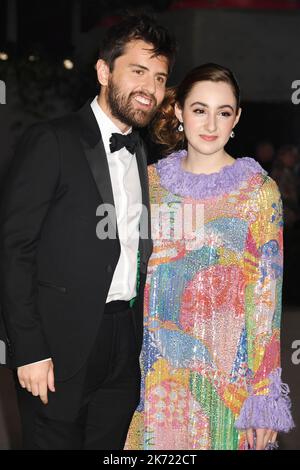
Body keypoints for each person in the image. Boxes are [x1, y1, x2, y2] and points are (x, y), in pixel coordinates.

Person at [0, 15, 176, 449]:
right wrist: (30, 349)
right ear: (103, 71)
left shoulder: (141, 152)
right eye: (137, 71)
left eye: (159, 78)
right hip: (58, 346)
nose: (149, 88)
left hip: (123, 342)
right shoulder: (51, 140)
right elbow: (13, 248)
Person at [125, 63, 294, 450]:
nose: (211, 123)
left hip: (229, 384)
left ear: (237, 118)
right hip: (153, 375)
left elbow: (267, 303)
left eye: (223, 112)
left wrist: (263, 397)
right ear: (179, 111)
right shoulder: (147, 184)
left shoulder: (258, 192)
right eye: (199, 109)